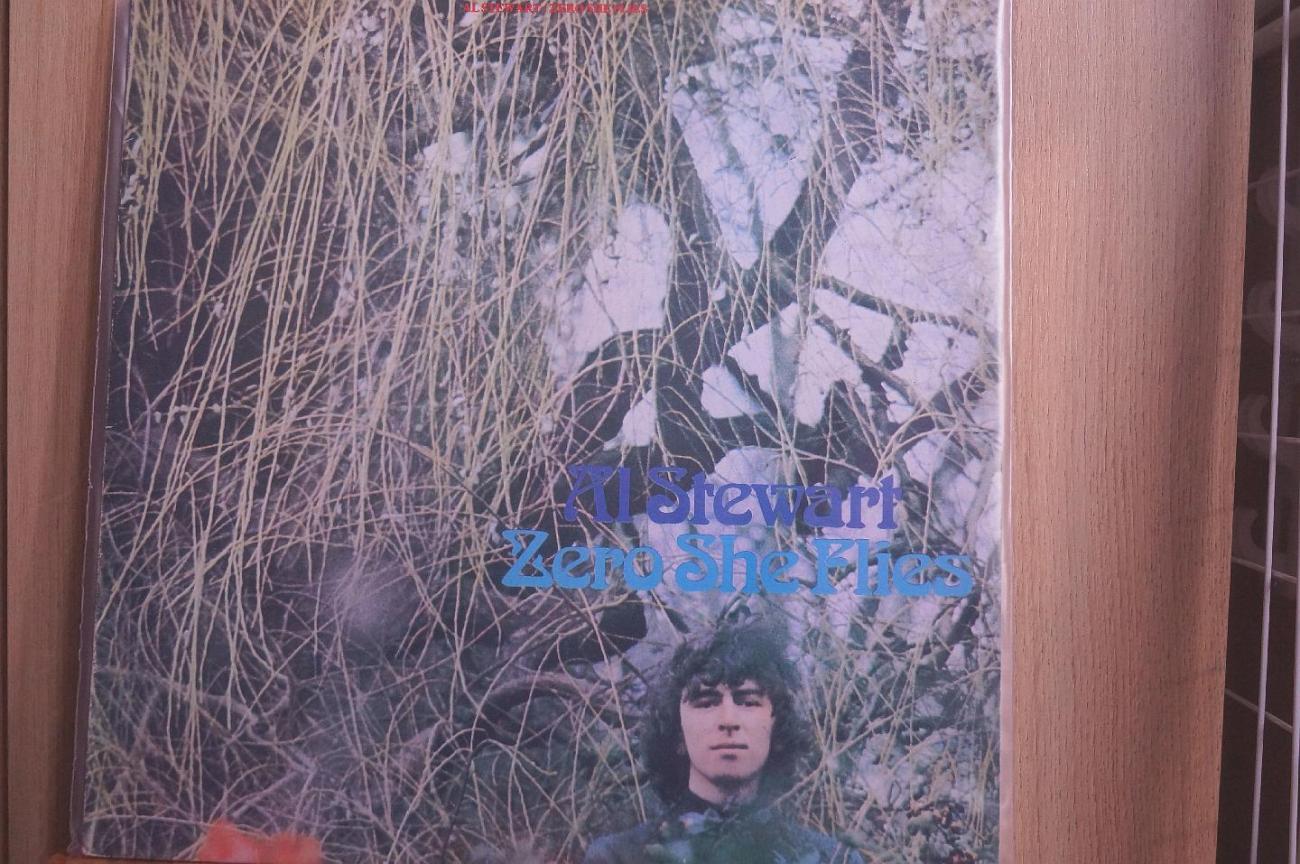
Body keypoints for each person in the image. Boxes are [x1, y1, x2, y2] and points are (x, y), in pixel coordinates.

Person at [583, 621, 866, 864]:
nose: (728, 720)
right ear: (678, 733)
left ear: (776, 727)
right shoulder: (619, 857)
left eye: (748, 701)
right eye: (706, 702)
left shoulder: (832, 859)